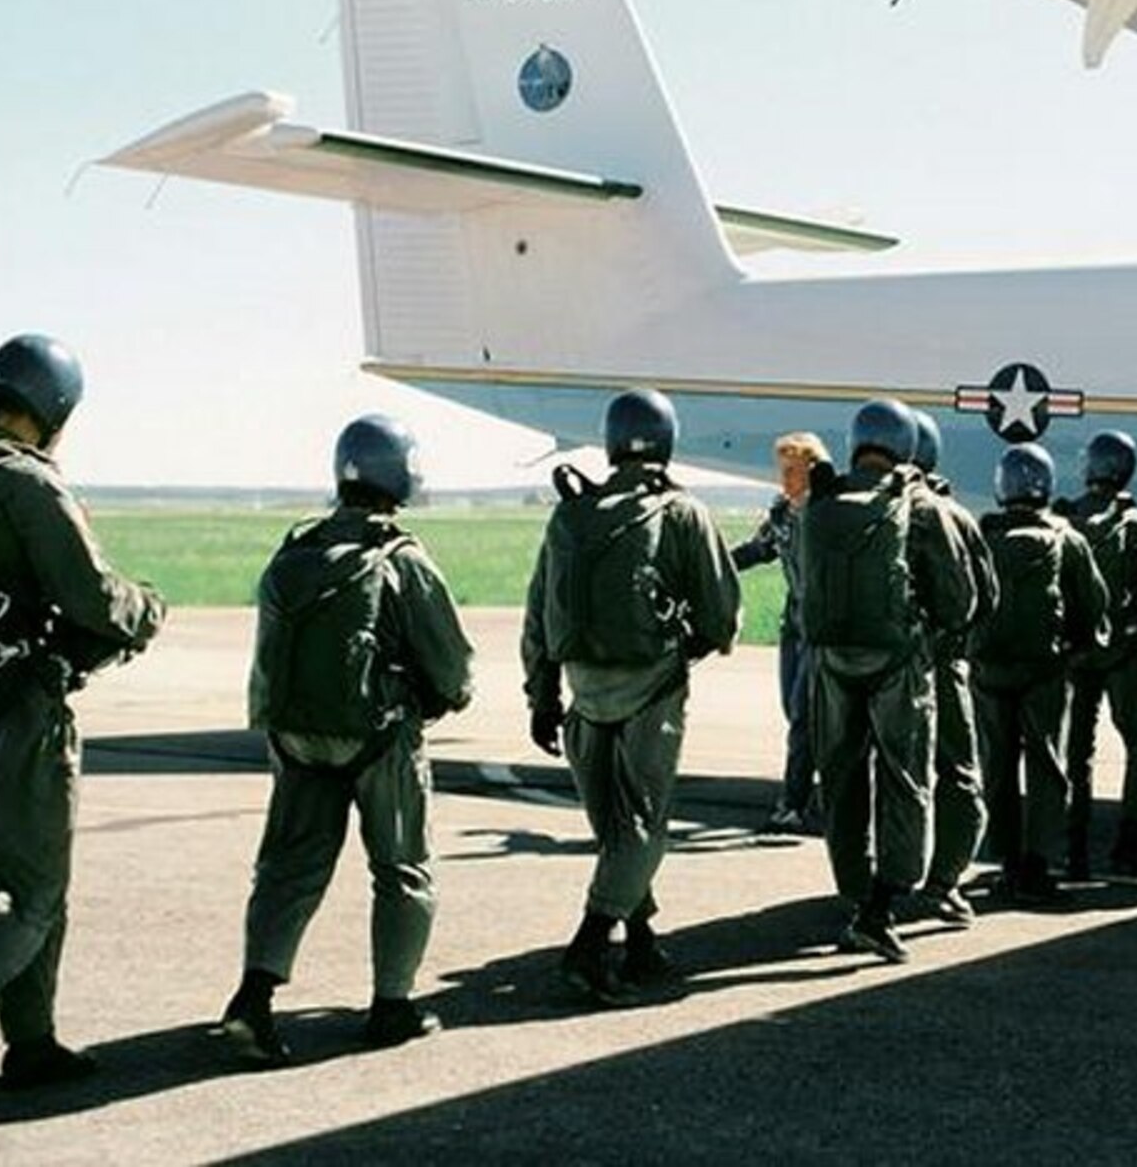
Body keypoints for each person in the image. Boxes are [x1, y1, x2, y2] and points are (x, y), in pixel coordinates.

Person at [0, 335, 166, 1088]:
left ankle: (31, 1042)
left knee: (21, 879)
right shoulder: (27, 484)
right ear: (59, 406)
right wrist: (146, 611)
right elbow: (93, 596)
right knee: (31, 893)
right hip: (22, 711)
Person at [221, 416, 475, 1063]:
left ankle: (253, 998)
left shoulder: (293, 552)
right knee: (402, 869)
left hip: (296, 741)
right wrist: (437, 700)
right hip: (378, 738)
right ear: (402, 472)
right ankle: (392, 1007)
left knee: (287, 870)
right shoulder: (402, 559)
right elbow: (453, 669)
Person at [522, 389, 741, 1005]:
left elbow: (538, 616)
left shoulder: (570, 514)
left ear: (613, 441)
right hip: (653, 689)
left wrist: (542, 697)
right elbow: (722, 614)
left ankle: (641, 938)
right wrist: (699, 643)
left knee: (614, 829)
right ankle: (590, 946)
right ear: (666, 439)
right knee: (641, 827)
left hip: (580, 696)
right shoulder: (681, 512)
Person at [796, 399, 974, 962]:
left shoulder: (821, 501)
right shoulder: (920, 504)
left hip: (831, 663)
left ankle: (853, 891)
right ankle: (883, 905)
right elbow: (961, 599)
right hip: (899, 663)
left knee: (843, 780)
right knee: (905, 780)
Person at [970, 444, 1109, 905]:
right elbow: (1091, 604)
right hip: (1044, 670)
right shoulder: (1067, 538)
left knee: (997, 767)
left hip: (988, 671)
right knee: (1046, 766)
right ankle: (1037, 864)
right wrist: (1078, 649)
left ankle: (1006, 861)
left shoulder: (980, 536)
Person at [1058, 430, 1137, 879]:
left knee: (1073, 752)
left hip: (1070, 657)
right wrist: (1131, 629)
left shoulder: (1062, 523)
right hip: (1127, 655)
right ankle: (1129, 844)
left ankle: (1072, 846)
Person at [908, 410, 999, 925]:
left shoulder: (853, 512)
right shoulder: (952, 514)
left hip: (874, 671)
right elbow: (984, 599)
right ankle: (943, 882)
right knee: (959, 773)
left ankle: (875, 886)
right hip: (942, 666)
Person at [730, 431, 831, 834]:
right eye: (782, 471)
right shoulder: (782, 514)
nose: (785, 479)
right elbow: (757, 551)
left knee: (804, 718)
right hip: (795, 627)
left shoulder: (830, 513)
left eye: (792, 471)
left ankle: (792, 804)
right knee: (794, 710)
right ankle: (818, 791)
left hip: (824, 629)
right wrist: (711, 562)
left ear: (812, 469)